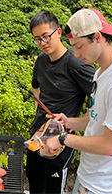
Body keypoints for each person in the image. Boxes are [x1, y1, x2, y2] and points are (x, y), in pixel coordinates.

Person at [45, 8, 112, 194]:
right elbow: (96, 116)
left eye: (79, 46)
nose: (75, 54)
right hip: (88, 175)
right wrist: (69, 122)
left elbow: (110, 145)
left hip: (105, 186)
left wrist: (63, 139)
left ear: (97, 38)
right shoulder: (100, 73)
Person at [26, 10, 95, 193]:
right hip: (38, 134)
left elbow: (100, 97)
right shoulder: (41, 61)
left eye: (46, 36)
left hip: (61, 140)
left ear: (58, 32)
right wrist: (38, 110)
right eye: (37, 39)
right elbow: (35, 86)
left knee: (53, 188)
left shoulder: (76, 64)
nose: (42, 43)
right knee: (34, 179)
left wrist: (81, 121)